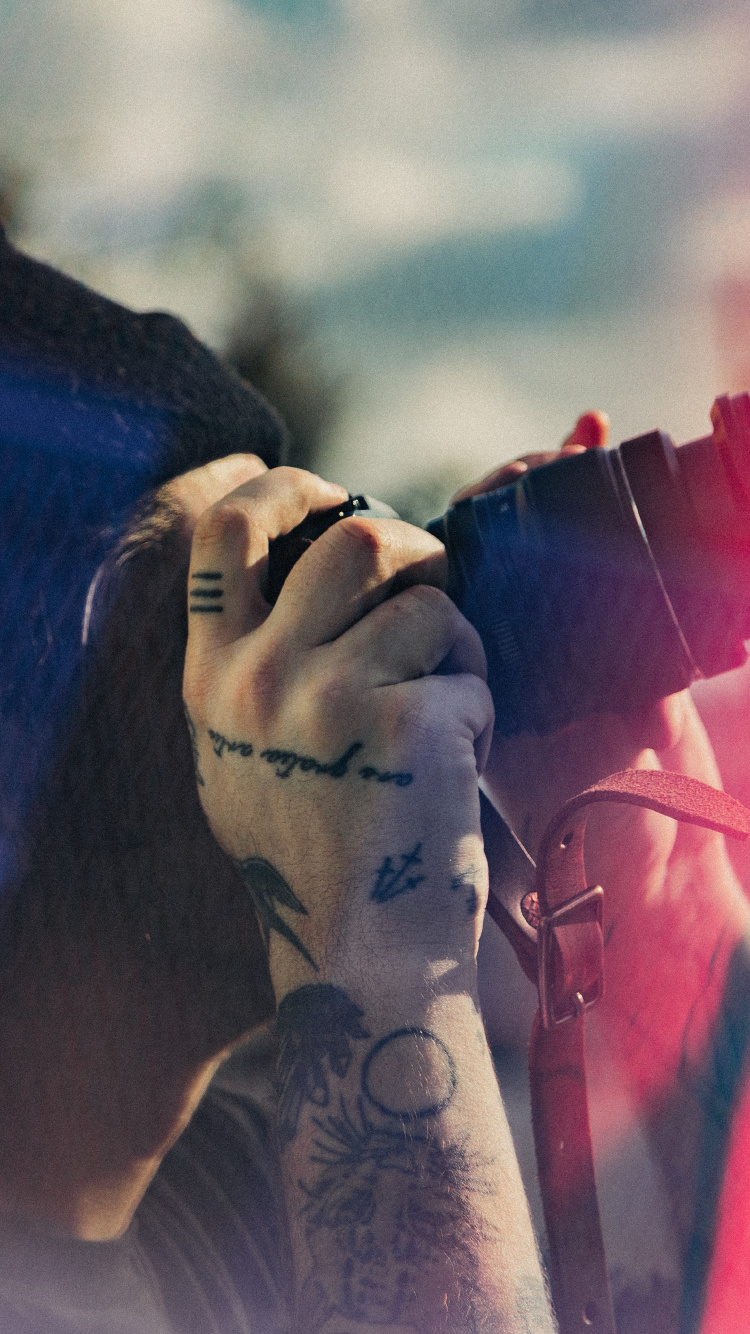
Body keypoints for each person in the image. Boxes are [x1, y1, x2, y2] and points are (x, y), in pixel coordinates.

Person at [0, 220, 748, 1334]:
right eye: (242, 591)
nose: (374, 598)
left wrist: (659, 912)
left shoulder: (241, 1199)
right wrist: (372, 948)